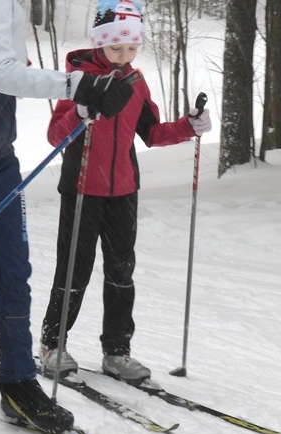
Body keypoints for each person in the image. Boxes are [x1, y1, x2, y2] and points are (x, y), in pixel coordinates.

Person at [0, 0, 135, 434]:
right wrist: (77, 84)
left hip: (1, 154)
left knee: (13, 272)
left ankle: (18, 380)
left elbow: (4, 66)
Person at [38, 0, 212, 385]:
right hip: (83, 187)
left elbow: (152, 133)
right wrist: (81, 110)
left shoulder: (135, 81)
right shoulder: (79, 80)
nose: (124, 56)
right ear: (99, 43)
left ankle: (116, 351)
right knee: (74, 269)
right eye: (117, 48)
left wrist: (189, 126)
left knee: (121, 272)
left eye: (132, 48)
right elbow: (55, 135)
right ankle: (52, 344)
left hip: (124, 190)